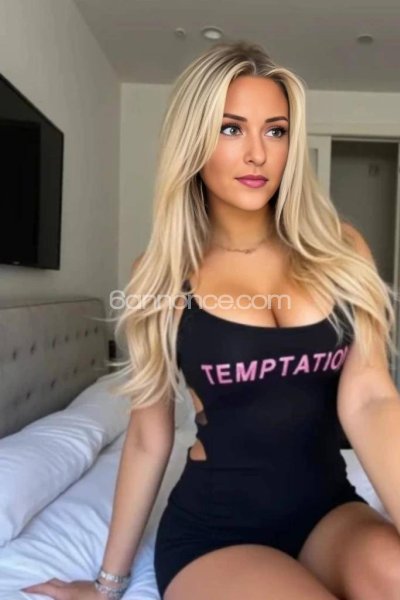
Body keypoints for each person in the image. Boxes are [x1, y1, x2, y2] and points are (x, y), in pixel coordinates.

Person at [22, 41, 400, 600]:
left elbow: (371, 399)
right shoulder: (162, 274)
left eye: (275, 131)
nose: (257, 154)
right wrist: (107, 584)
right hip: (219, 531)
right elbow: (149, 434)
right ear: (193, 140)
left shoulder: (341, 248)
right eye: (230, 129)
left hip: (328, 510)